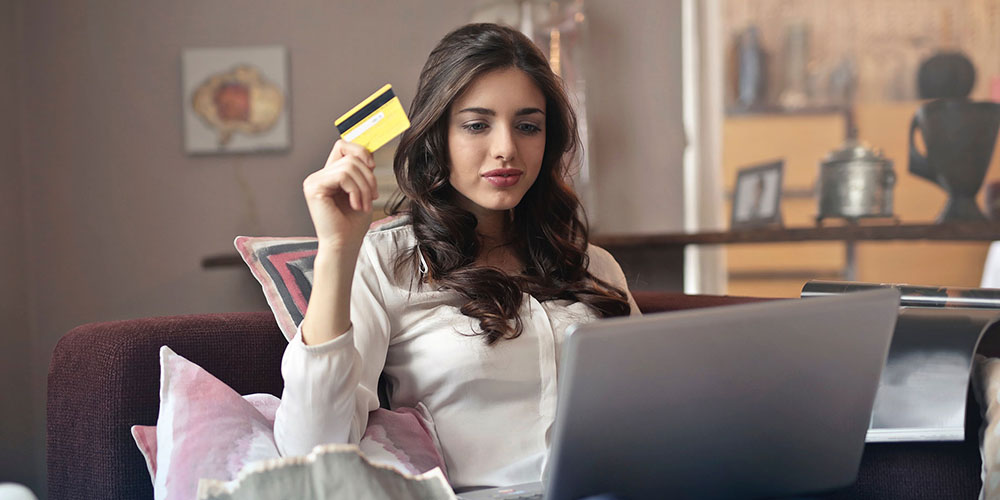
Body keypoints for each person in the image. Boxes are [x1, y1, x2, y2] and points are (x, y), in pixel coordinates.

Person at [274, 22, 640, 490]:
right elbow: (310, 451)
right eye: (476, 125)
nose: (506, 148)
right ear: (438, 136)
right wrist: (337, 251)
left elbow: (656, 409)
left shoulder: (595, 266)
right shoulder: (387, 265)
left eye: (528, 126)